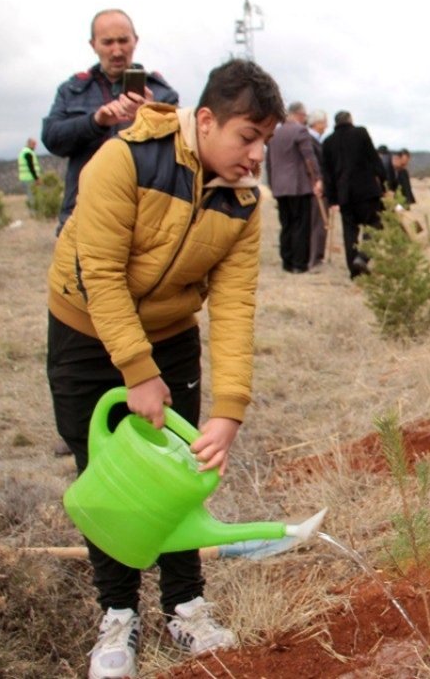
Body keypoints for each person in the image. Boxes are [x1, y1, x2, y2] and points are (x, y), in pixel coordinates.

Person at [45, 58, 284, 679]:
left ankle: (185, 606)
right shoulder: (124, 160)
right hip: (84, 330)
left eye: (266, 141)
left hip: (172, 337)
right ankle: (118, 615)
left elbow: (234, 307)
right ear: (206, 120)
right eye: (247, 137)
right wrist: (135, 369)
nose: (257, 155)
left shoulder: (243, 203)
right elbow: (98, 272)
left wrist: (230, 408)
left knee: (180, 469)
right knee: (107, 472)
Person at [42, 9, 178, 232]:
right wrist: (95, 122)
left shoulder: (161, 94)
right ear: (93, 44)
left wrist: (150, 117)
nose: (117, 51)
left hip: (144, 222)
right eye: (107, 42)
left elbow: (180, 151)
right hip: (82, 216)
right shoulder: (73, 91)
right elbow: (52, 138)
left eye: (123, 41)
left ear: (135, 41)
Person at [321, 110, 388, 279]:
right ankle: (363, 257)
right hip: (366, 191)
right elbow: (374, 159)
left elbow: (327, 174)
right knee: (375, 224)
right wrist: (384, 181)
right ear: (350, 120)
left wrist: (332, 199)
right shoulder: (360, 132)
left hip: (344, 195)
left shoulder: (328, 142)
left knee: (349, 232)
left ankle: (354, 272)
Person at [265, 101, 322, 273]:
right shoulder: (300, 131)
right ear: (299, 115)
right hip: (298, 186)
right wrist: (317, 178)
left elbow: (269, 163)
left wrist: (272, 184)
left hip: (280, 187)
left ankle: (287, 261)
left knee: (286, 224)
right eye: (304, 116)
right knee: (300, 225)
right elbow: (309, 158)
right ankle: (299, 263)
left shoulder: (274, 133)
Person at [306, 109, 330, 270]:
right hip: (315, 188)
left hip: (315, 187)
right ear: (318, 123)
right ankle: (314, 258)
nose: (326, 126)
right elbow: (311, 165)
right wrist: (319, 181)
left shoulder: (316, 141)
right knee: (318, 224)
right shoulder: (308, 141)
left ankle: (315, 256)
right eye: (324, 122)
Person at [17, 137, 42, 207]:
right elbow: (31, 166)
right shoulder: (28, 153)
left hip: (25, 178)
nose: (35, 146)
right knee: (32, 197)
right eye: (34, 144)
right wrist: (36, 178)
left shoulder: (24, 152)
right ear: (29, 144)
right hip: (29, 178)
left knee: (31, 196)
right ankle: (34, 212)